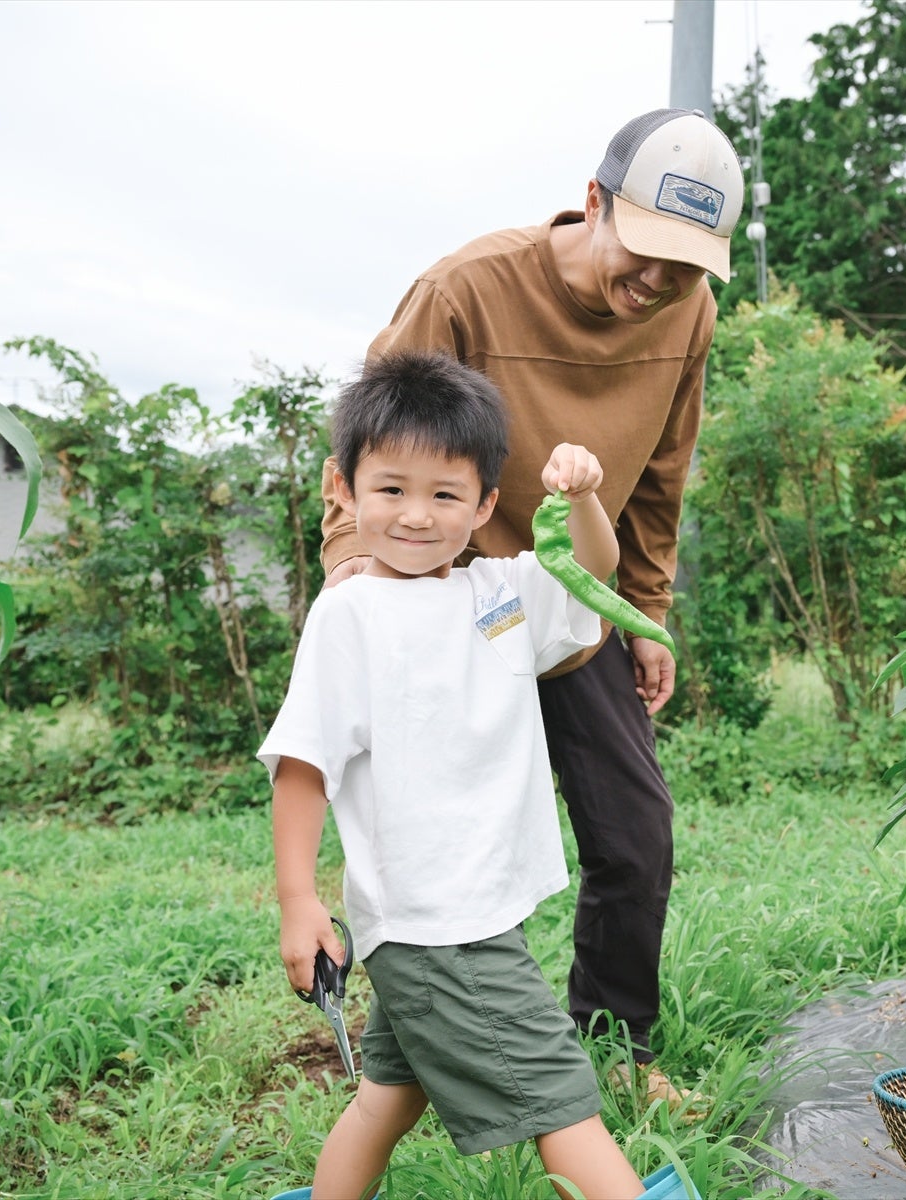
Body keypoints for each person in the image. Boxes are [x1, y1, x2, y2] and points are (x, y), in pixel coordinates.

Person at [316, 109, 743, 1095]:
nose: (658, 282)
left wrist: (645, 611)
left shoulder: (689, 316)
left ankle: (616, 1051)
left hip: (564, 604)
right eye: (645, 251)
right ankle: (413, 1051)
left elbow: (664, 471)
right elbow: (368, 441)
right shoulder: (465, 290)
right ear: (595, 201)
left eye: (686, 267)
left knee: (635, 835)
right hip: (446, 606)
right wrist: (353, 569)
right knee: (438, 846)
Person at [264, 351, 645, 1200]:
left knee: (387, 1099)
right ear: (344, 490)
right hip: (440, 921)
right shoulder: (351, 612)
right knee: (561, 1100)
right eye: (391, 489)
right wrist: (297, 899)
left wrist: (584, 497)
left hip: (469, 907)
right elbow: (304, 764)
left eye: (444, 495)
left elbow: (592, 570)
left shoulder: (497, 595)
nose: (415, 515)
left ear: (484, 506)